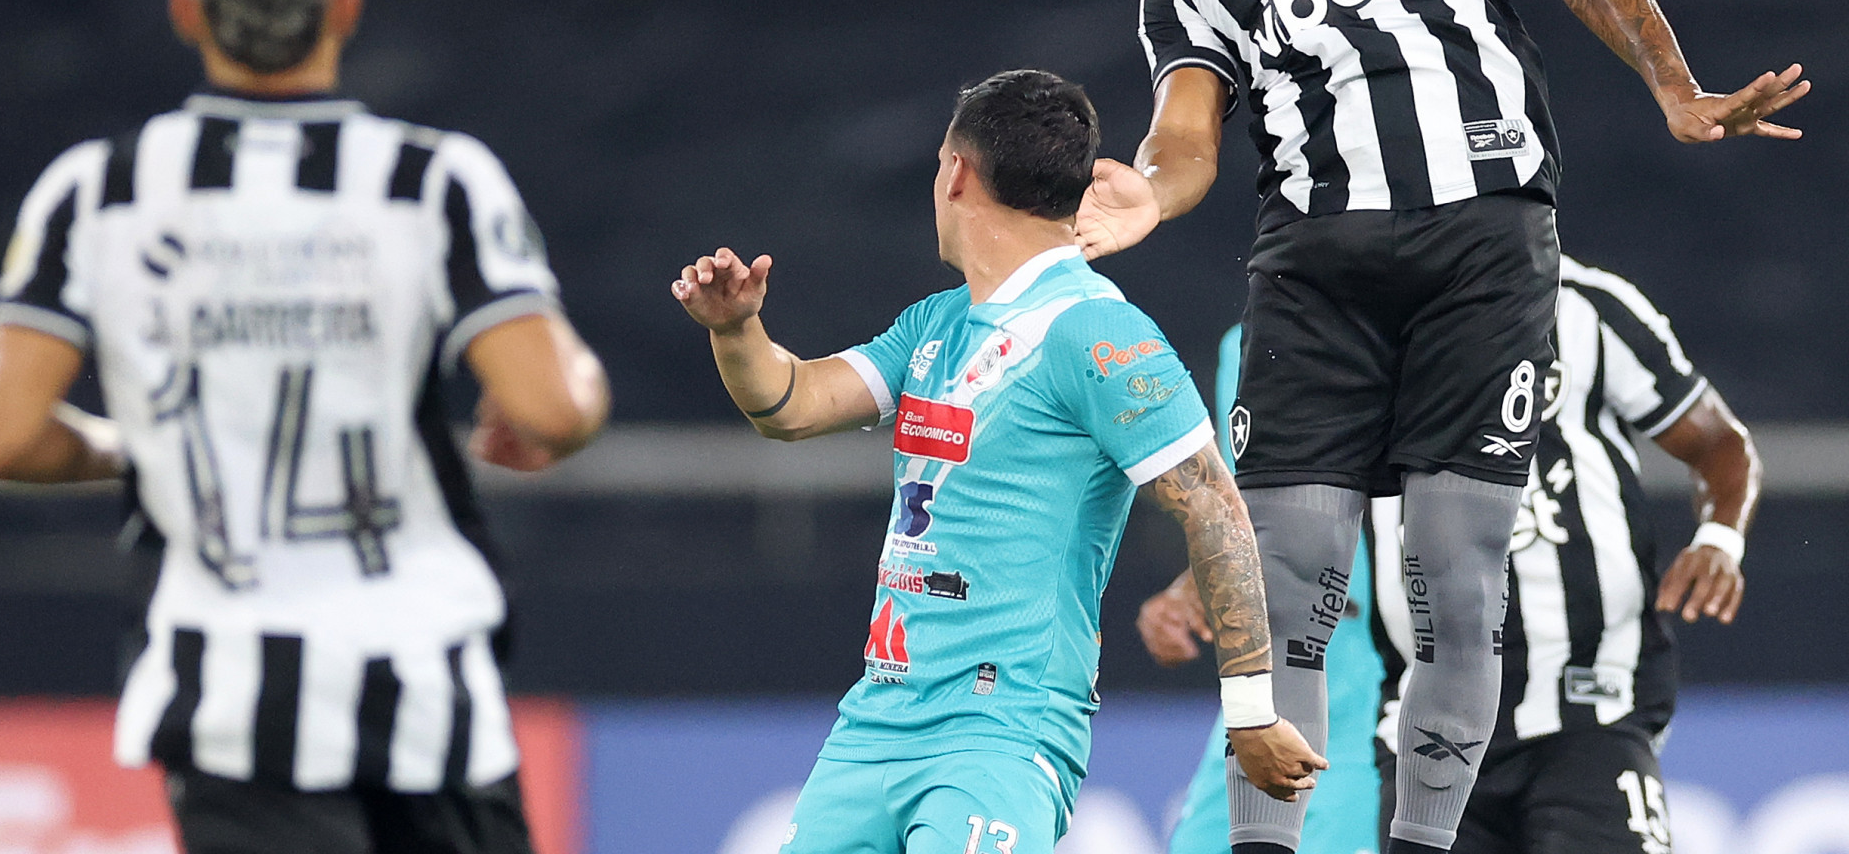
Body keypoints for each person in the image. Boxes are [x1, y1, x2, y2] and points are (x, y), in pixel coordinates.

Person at [1063, 0, 1806, 854]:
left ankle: (1418, 843)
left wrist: (1675, 86)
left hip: (1481, 240)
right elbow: (1185, 135)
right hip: (1313, 262)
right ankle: (1269, 846)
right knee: (1284, 581)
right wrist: (1148, 189)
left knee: (1455, 577)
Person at [0, 0, 611, 854]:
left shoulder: (98, 194)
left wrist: (130, 447)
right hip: (426, 678)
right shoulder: (432, 181)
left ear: (188, 12)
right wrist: (570, 398)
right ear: (344, 6)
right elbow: (553, 408)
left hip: (230, 693)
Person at [671, 70, 1322, 854]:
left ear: (957, 171)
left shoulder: (1098, 332)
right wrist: (735, 331)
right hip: (874, 725)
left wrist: (1251, 709)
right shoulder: (937, 324)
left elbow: (1214, 507)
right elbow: (795, 404)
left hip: (999, 735)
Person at [1367, 255, 1762, 853]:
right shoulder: (1357, 322)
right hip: (1427, 718)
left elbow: (1718, 441)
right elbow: (1303, 484)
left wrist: (1719, 538)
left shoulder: (1589, 308)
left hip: (1590, 706)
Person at [1138, 325, 1382, 854]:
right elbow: (1254, 517)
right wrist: (1194, 584)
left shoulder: (1413, 329)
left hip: (1374, 705)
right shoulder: (1246, 340)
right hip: (1260, 706)